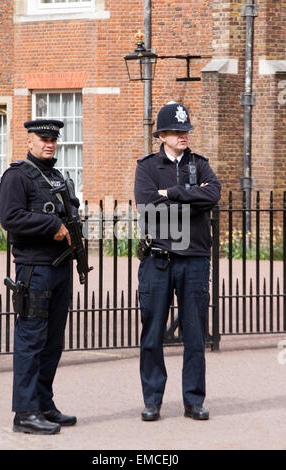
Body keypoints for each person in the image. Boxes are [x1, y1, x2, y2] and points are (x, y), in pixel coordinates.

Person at [134, 102, 221, 421]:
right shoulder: (146, 167)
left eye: (185, 130)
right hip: (158, 260)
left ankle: (194, 400)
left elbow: (213, 194)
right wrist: (190, 197)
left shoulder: (201, 164)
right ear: (161, 136)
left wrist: (171, 193)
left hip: (195, 259)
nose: (182, 135)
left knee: (196, 334)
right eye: (175, 131)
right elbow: (147, 204)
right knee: (152, 333)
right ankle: (152, 400)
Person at [0, 119, 77, 434]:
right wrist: (51, 226)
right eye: (43, 138)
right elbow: (11, 218)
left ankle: (44, 404)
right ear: (29, 140)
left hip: (60, 267)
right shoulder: (17, 176)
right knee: (31, 339)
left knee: (53, 342)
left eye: (53, 139)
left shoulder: (56, 176)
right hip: (35, 269)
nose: (49, 144)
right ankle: (25, 412)